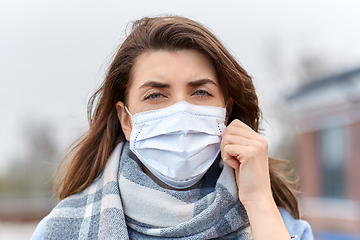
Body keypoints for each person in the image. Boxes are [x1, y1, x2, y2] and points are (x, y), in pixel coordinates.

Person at [31, 15, 313, 240]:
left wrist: (260, 203)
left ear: (225, 111)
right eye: (156, 95)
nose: (181, 112)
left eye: (200, 92)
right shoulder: (59, 230)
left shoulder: (280, 227)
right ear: (126, 119)